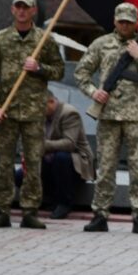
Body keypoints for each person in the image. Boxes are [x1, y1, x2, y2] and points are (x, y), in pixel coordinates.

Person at [74, 2, 138, 233]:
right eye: (121, 21)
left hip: (137, 117)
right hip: (108, 116)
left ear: (136, 23)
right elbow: (81, 72)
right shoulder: (102, 44)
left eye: (129, 21)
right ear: (115, 21)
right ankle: (100, 214)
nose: (124, 25)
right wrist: (95, 92)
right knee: (105, 167)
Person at [0, 0, 64, 230]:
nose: (22, 10)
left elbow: (59, 70)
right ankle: (2, 210)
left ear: (34, 10)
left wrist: (39, 67)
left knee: (33, 162)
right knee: (4, 163)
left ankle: (30, 211)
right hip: (6, 112)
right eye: (18, 6)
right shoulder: (0, 39)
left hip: (33, 112)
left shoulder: (44, 39)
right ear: (12, 9)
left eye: (26, 7)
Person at [42, 92, 95, 220]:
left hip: (77, 160)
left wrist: (42, 145)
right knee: (19, 176)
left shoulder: (69, 113)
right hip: (49, 158)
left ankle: (64, 203)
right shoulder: (41, 115)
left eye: (41, 106)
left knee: (61, 157)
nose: (38, 111)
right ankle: (50, 199)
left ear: (51, 102)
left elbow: (69, 144)